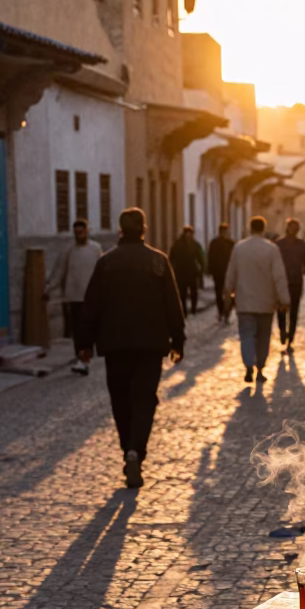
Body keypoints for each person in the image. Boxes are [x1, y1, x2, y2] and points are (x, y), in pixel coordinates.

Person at [77, 208, 185, 489]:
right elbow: (173, 305)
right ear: (144, 230)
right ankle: (137, 449)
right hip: (150, 344)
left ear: (120, 231)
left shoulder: (106, 263)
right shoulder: (158, 261)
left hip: (115, 344)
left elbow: (91, 306)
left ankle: (128, 450)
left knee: (121, 400)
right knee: (145, 399)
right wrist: (178, 340)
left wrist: (84, 344)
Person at [223, 215, 290, 383]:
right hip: (266, 302)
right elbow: (279, 276)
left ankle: (248, 367)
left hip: (244, 302)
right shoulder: (271, 249)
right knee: (263, 337)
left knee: (246, 336)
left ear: (250, 228)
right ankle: (260, 368)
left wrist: (227, 293)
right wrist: (284, 299)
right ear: (264, 228)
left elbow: (231, 273)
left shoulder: (239, 248)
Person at [44, 217, 102, 375]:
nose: (79, 235)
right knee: (77, 331)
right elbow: (59, 272)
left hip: (91, 297)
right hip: (74, 297)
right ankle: (81, 358)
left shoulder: (96, 249)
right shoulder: (68, 250)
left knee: (88, 331)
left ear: (87, 231)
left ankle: (85, 359)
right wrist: (48, 289)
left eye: (82, 232)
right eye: (76, 232)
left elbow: (102, 273)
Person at [276, 218, 305, 352]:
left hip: (292, 281)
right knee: (286, 310)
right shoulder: (280, 244)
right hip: (288, 281)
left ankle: (289, 337)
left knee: (289, 310)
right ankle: (285, 334)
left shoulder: (281, 244)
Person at [169, 226, 205, 314]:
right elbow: (172, 257)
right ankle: (184, 309)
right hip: (181, 272)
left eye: (190, 233)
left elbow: (200, 257)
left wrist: (202, 269)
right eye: (187, 233)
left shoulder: (195, 244)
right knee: (182, 293)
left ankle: (193, 308)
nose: (188, 235)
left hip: (192, 272)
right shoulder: (178, 244)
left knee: (193, 292)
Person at [208, 222, 235, 323]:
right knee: (221, 293)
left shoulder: (229, 243)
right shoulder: (227, 243)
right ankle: (223, 312)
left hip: (223, 271)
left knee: (225, 293)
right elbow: (210, 257)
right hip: (221, 272)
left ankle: (224, 312)